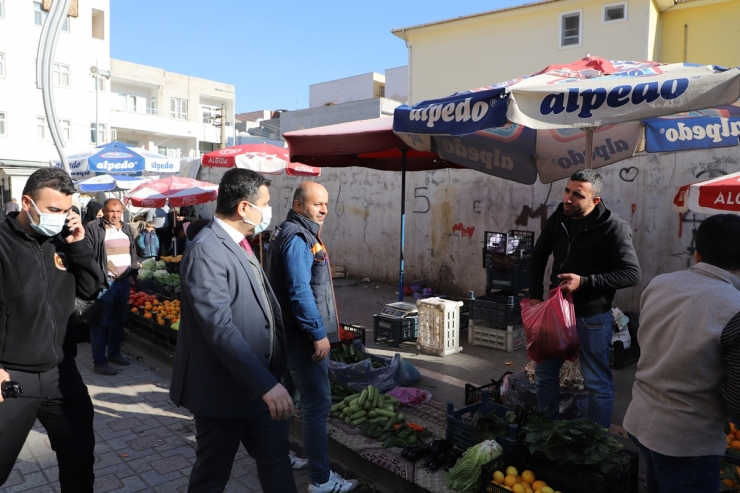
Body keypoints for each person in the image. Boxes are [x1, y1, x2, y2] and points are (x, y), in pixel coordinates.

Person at [169, 168, 297, 493]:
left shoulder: (240, 242)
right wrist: (266, 384)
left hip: (258, 387)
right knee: (212, 476)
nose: (268, 211)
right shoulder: (207, 250)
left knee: (276, 460)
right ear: (244, 207)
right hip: (223, 392)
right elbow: (219, 328)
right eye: (265, 204)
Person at [0, 168, 102, 491]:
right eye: (53, 210)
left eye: (66, 211)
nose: (60, 218)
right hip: (12, 377)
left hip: (62, 374)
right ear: (27, 202)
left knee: (80, 462)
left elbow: (90, 289)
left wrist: (78, 246)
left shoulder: (62, 241)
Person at [623, 214, 740, 492]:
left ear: (696, 252)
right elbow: (737, 398)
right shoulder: (734, 307)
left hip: (641, 421)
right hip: (686, 442)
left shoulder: (659, 284)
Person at [528, 169, 640, 429]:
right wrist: (534, 296)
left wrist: (586, 282)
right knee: (544, 374)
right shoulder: (559, 218)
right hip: (555, 312)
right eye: (567, 190)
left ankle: (595, 440)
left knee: (596, 383)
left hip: (592, 317)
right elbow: (538, 255)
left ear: (595, 201)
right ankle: (547, 431)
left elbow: (632, 274)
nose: (568, 198)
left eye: (577, 195)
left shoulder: (613, 228)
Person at [267, 182, 358, 493]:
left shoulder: (292, 232)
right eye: (317, 203)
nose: (323, 210)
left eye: (326, 204)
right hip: (302, 340)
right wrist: (318, 334)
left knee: (284, 401)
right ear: (297, 205)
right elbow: (299, 292)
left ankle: (278, 455)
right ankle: (321, 480)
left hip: (289, 336)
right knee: (317, 406)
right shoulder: (297, 238)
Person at [85, 198, 139, 375]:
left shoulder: (126, 228)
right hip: (105, 284)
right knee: (101, 323)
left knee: (119, 321)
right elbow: (88, 255)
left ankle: (114, 353)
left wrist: (132, 274)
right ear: (104, 211)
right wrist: (100, 274)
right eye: (111, 211)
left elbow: (133, 252)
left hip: (124, 283)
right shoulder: (95, 228)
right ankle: (99, 361)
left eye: (118, 212)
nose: (114, 215)